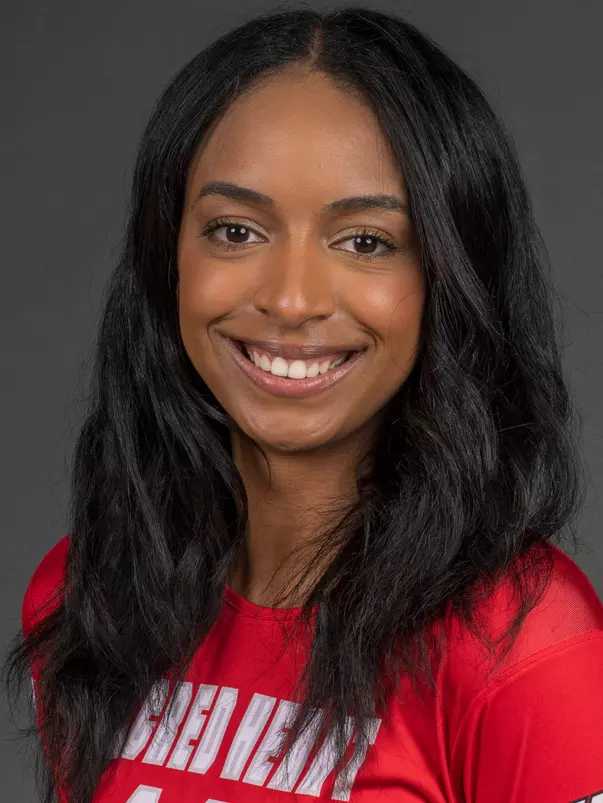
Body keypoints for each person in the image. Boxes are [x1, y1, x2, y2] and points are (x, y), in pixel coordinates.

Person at [4, 5, 603, 803]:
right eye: (236, 230)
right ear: (166, 255)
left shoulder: (528, 648)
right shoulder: (90, 595)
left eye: (364, 241)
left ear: (449, 278)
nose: (290, 299)